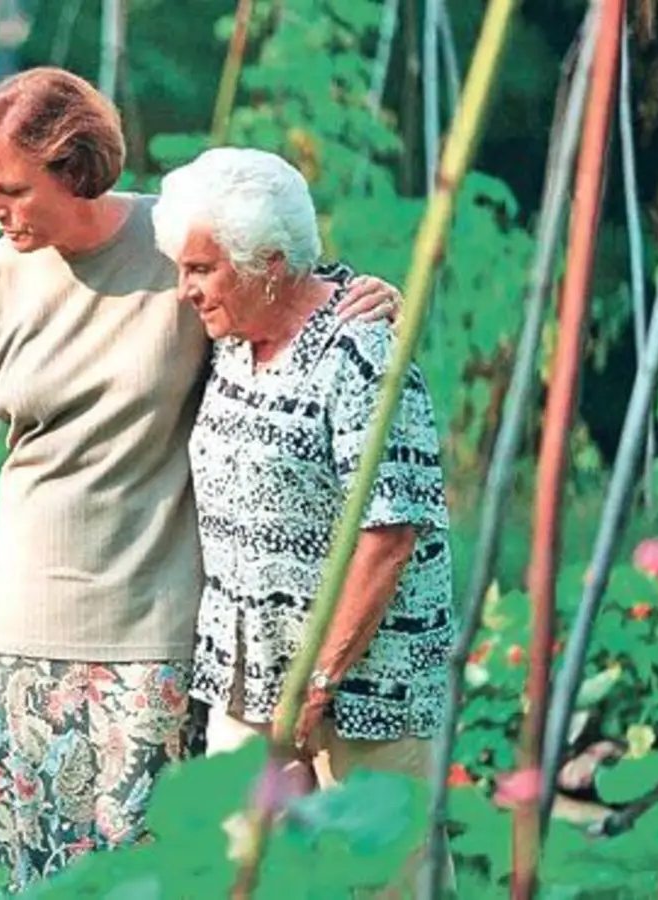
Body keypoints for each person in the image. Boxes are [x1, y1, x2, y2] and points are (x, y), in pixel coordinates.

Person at [0, 68, 403, 891]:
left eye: (13, 189)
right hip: (20, 635)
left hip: (153, 638)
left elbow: (285, 286)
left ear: (76, 166)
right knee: (32, 877)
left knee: (147, 876)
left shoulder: (177, 246)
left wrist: (366, 292)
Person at [150, 146, 457, 896]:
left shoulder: (361, 356)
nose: (184, 290)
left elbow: (390, 536)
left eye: (201, 270)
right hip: (246, 670)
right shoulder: (234, 342)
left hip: (367, 681)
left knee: (385, 876)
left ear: (270, 265)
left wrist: (319, 681)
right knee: (241, 869)